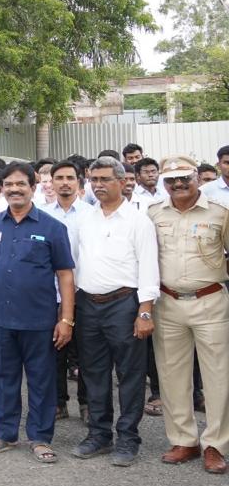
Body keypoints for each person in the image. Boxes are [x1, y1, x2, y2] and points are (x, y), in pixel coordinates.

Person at [0, 162, 76, 463]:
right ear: (2, 189)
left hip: (39, 320)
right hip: (0, 318)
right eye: (9, 185)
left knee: (41, 379)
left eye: (21, 184)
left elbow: (66, 275)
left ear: (33, 187)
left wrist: (66, 319)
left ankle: (40, 437)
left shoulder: (52, 227)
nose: (15, 189)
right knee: (4, 376)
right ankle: (5, 434)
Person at [70, 156, 159, 467]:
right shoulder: (84, 218)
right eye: (94, 180)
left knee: (130, 375)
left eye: (105, 180)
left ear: (123, 182)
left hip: (125, 305)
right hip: (88, 305)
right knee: (93, 373)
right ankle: (99, 435)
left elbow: (149, 267)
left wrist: (144, 312)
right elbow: (75, 264)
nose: (98, 186)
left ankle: (128, 438)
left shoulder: (138, 221)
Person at [148, 155, 229, 474]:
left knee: (218, 377)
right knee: (171, 376)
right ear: (163, 183)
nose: (179, 185)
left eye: (185, 178)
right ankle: (184, 440)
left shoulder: (220, 213)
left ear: (198, 177)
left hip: (210, 301)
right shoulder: (153, 213)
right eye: (172, 180)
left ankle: (216, 445)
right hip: (167, 303)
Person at [39, 160, 88, 421]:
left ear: (79, 181)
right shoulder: (42, 214)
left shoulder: (91, 214)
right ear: (51, 182)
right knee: (54, 351)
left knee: (86, 352)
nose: (65, 182)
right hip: (51, 294)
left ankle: (86, 402)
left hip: (85, 293)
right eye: (59, 178)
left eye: (70, 177)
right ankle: (58, 402)